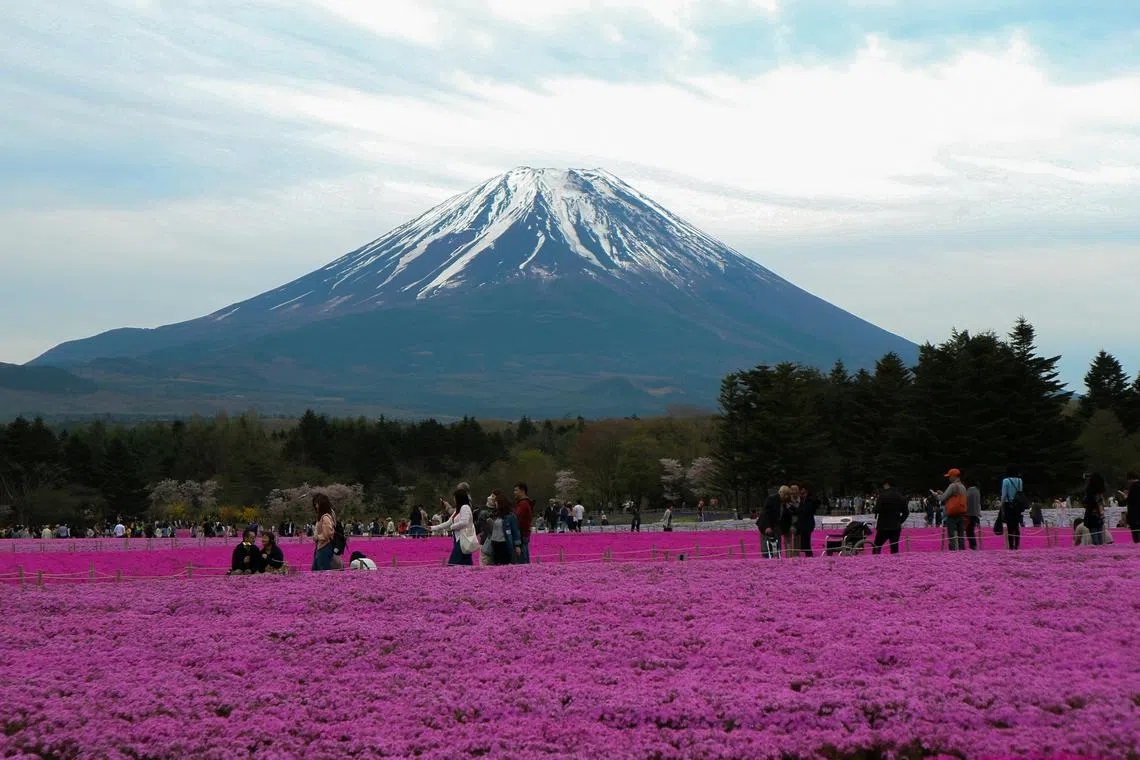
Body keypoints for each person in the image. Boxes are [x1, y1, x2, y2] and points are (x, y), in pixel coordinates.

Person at [430, 489, 475, 566]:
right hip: (458, 539)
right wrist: (432, 528)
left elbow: (464, 522)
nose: (454, 500)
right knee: (466, 563)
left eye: (455, 498)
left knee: (453, 563)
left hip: (464, 538)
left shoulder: (465, 507)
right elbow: (448, 522)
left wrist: (453, 527)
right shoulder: (458, 510)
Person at [934, 469, 968, 551]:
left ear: (954, 476)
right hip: (961, 512)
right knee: (961, 536)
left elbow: (942, 498)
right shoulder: (962, 486)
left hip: (952, 513)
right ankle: (963, 553)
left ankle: (953, 553)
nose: (949, 478)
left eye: (949, 476)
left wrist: (935, 495)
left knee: (952, 536)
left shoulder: (953, 486)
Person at [872, 479, 907, 554]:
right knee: (894, 547)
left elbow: (877, 509)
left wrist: (874, 509)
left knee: (877, 546)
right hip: (895, 526)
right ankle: (894, 563)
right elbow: (906, 513)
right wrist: (899, 521)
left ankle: (875, 562)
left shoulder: (882, 496)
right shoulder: (901, 497)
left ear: (886, 484)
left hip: (883, 525)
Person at [1000, 466, 1026, 550]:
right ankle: (1017, 544)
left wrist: (1002, 504)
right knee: (1016, 526)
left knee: (1010, 526)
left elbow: (1004, 495)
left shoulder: (1006, 481)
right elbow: (1020, 492)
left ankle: (1011, 545)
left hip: (1009, 504)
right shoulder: (1019, 480)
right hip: (1018, 505)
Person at [311, 493, 337, 571]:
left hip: (324, 546)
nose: (316, 506)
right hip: (321, 546)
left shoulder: (325, 518)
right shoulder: (322, 516)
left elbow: (327, 534)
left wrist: (317, 537)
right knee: (316, 569)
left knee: (323, 570)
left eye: (317, 504)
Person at [513, 482, 534, 564]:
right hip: (524, 534)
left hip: (522, 534)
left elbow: (517, 519)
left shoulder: (523, 504)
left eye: (516, 490)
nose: (514, 492)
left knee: (522, 558)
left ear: (522, 491)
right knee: (524, 555)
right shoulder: (524, 503)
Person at [796, 483, 819, 557]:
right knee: (802, 542)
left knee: (806, 541)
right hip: (801, 523)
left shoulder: (811, 500)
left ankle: (809, 555)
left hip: (808, 524)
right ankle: (807, 555)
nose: (802, 493)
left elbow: (807, 510)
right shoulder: (801, 500)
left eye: (804, 491)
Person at [1083, 473, 1106, 546]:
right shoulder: (1100, 494)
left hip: (1092, 516)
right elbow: (1102, 505)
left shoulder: (1090, 494)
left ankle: (1097, 552)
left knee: (1095, 538)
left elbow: (1086, 504)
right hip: (1099, 516)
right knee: (1100, 536)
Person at [1119, 472, 1140, 544]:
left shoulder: (1134, 487)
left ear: (1130, 479)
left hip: (1135, 514)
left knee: (1135, 533)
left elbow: (1130, 500)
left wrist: (1125, 496)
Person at [965, 478, 982, 551]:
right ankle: (973, 545)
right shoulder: (977, 491)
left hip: (969, 513)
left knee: (969, 530)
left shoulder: (969, 491)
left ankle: (972, 545)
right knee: (971, 529)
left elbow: (966, 501)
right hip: (975, 513)